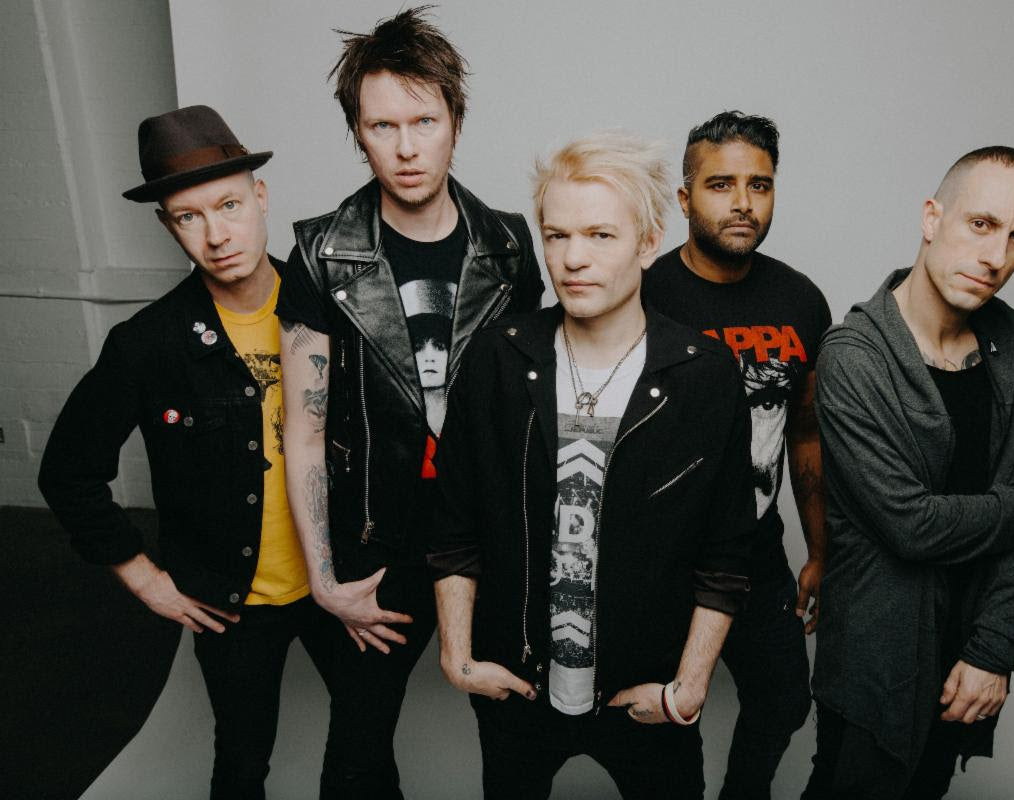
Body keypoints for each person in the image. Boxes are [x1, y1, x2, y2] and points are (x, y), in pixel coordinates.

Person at [427, 132, 757, 799]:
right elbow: (454, 524)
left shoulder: (703, 376)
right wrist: (458, 658)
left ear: (648, 242)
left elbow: (725, 554)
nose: (573, 258)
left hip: (646, 692)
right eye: (557, 235)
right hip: (518, 688)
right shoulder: (497, 359)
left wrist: (687, 689)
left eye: (601, 236)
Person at [275, 8, 543, 796]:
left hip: (488, 535)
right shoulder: (321, 254)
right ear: (358, 134)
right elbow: (303, 431)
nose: (405, 146)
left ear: (455, 120)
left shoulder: (510, 247)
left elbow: (531, 405)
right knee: (357, 751)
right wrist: (326, 578)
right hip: (376, 541)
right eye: (381, 125)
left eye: (424, 121)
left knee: (515, 741)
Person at [39, 105, 339, 799]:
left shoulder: (332, 311)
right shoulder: (147, 344)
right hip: (232, 603)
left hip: (337, 584)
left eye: (229, 205)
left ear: (260, 196)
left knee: (364, 755)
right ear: (167, 226)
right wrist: (143, 576)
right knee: (242, 764)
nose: (217, 234)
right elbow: (68, 471)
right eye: (188, 217)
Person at [803, 146, 1014, 799]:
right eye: (981, 224)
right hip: (877, 655)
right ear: (932, 218)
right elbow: (913, 526)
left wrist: (991, 650)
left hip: (969, 649)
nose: (997, 256)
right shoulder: (855, 357)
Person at [642, 111, 830, 799]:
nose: (744, 203)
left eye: (760, 185)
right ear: (685, 197)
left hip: (755, 555)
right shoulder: (643, 293)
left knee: (784, 700)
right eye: (721, 185)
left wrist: (820, 548)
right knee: (665, 727)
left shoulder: (800, 300)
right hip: (662, 561)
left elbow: (804, 431)